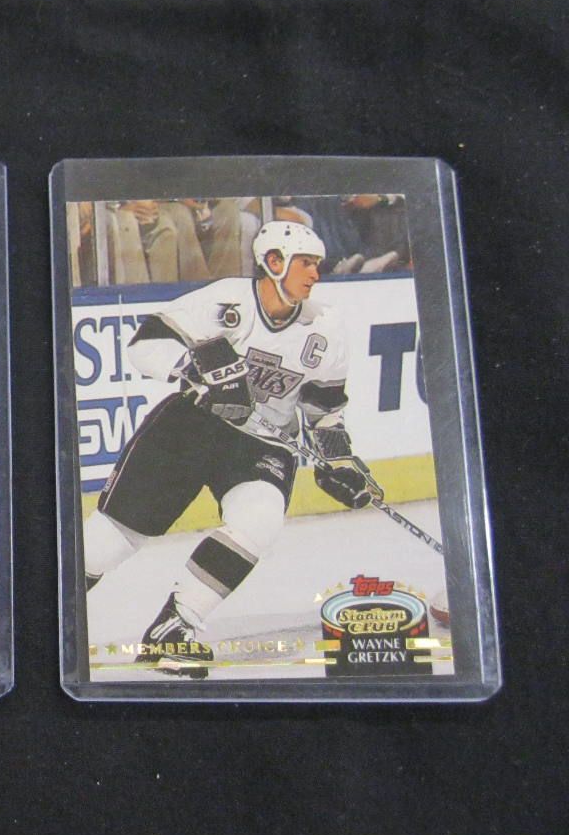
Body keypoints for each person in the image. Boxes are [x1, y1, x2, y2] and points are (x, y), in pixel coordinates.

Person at [82, 220, 375, 678]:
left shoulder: (326, 326)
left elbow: (323, 410)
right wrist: (193, 368)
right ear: (273, 262)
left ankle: (174, 629)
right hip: (190, 426)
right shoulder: (227, 300)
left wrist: (338, 458)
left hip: (262, 444)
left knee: (260, 519)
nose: (315, 274)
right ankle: (35, 610)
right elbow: (146, 343)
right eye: (305, 263)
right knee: (106, 545)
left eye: (317, 264)